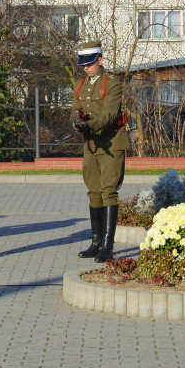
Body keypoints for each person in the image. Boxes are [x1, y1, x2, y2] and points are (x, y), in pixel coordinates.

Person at [71, 40, 128, 262]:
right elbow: (75, 109)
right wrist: (76, 119)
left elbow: (110, 114)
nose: (85, 67)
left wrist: (89, 124)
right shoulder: (80, 85)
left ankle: (108, 245)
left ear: (100, 60)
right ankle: (95, 242)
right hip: (91, 144)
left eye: (90, 63)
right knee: (93, 190)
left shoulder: (111, 83)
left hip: (111, 143)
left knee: (108, 191)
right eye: (83, 64)